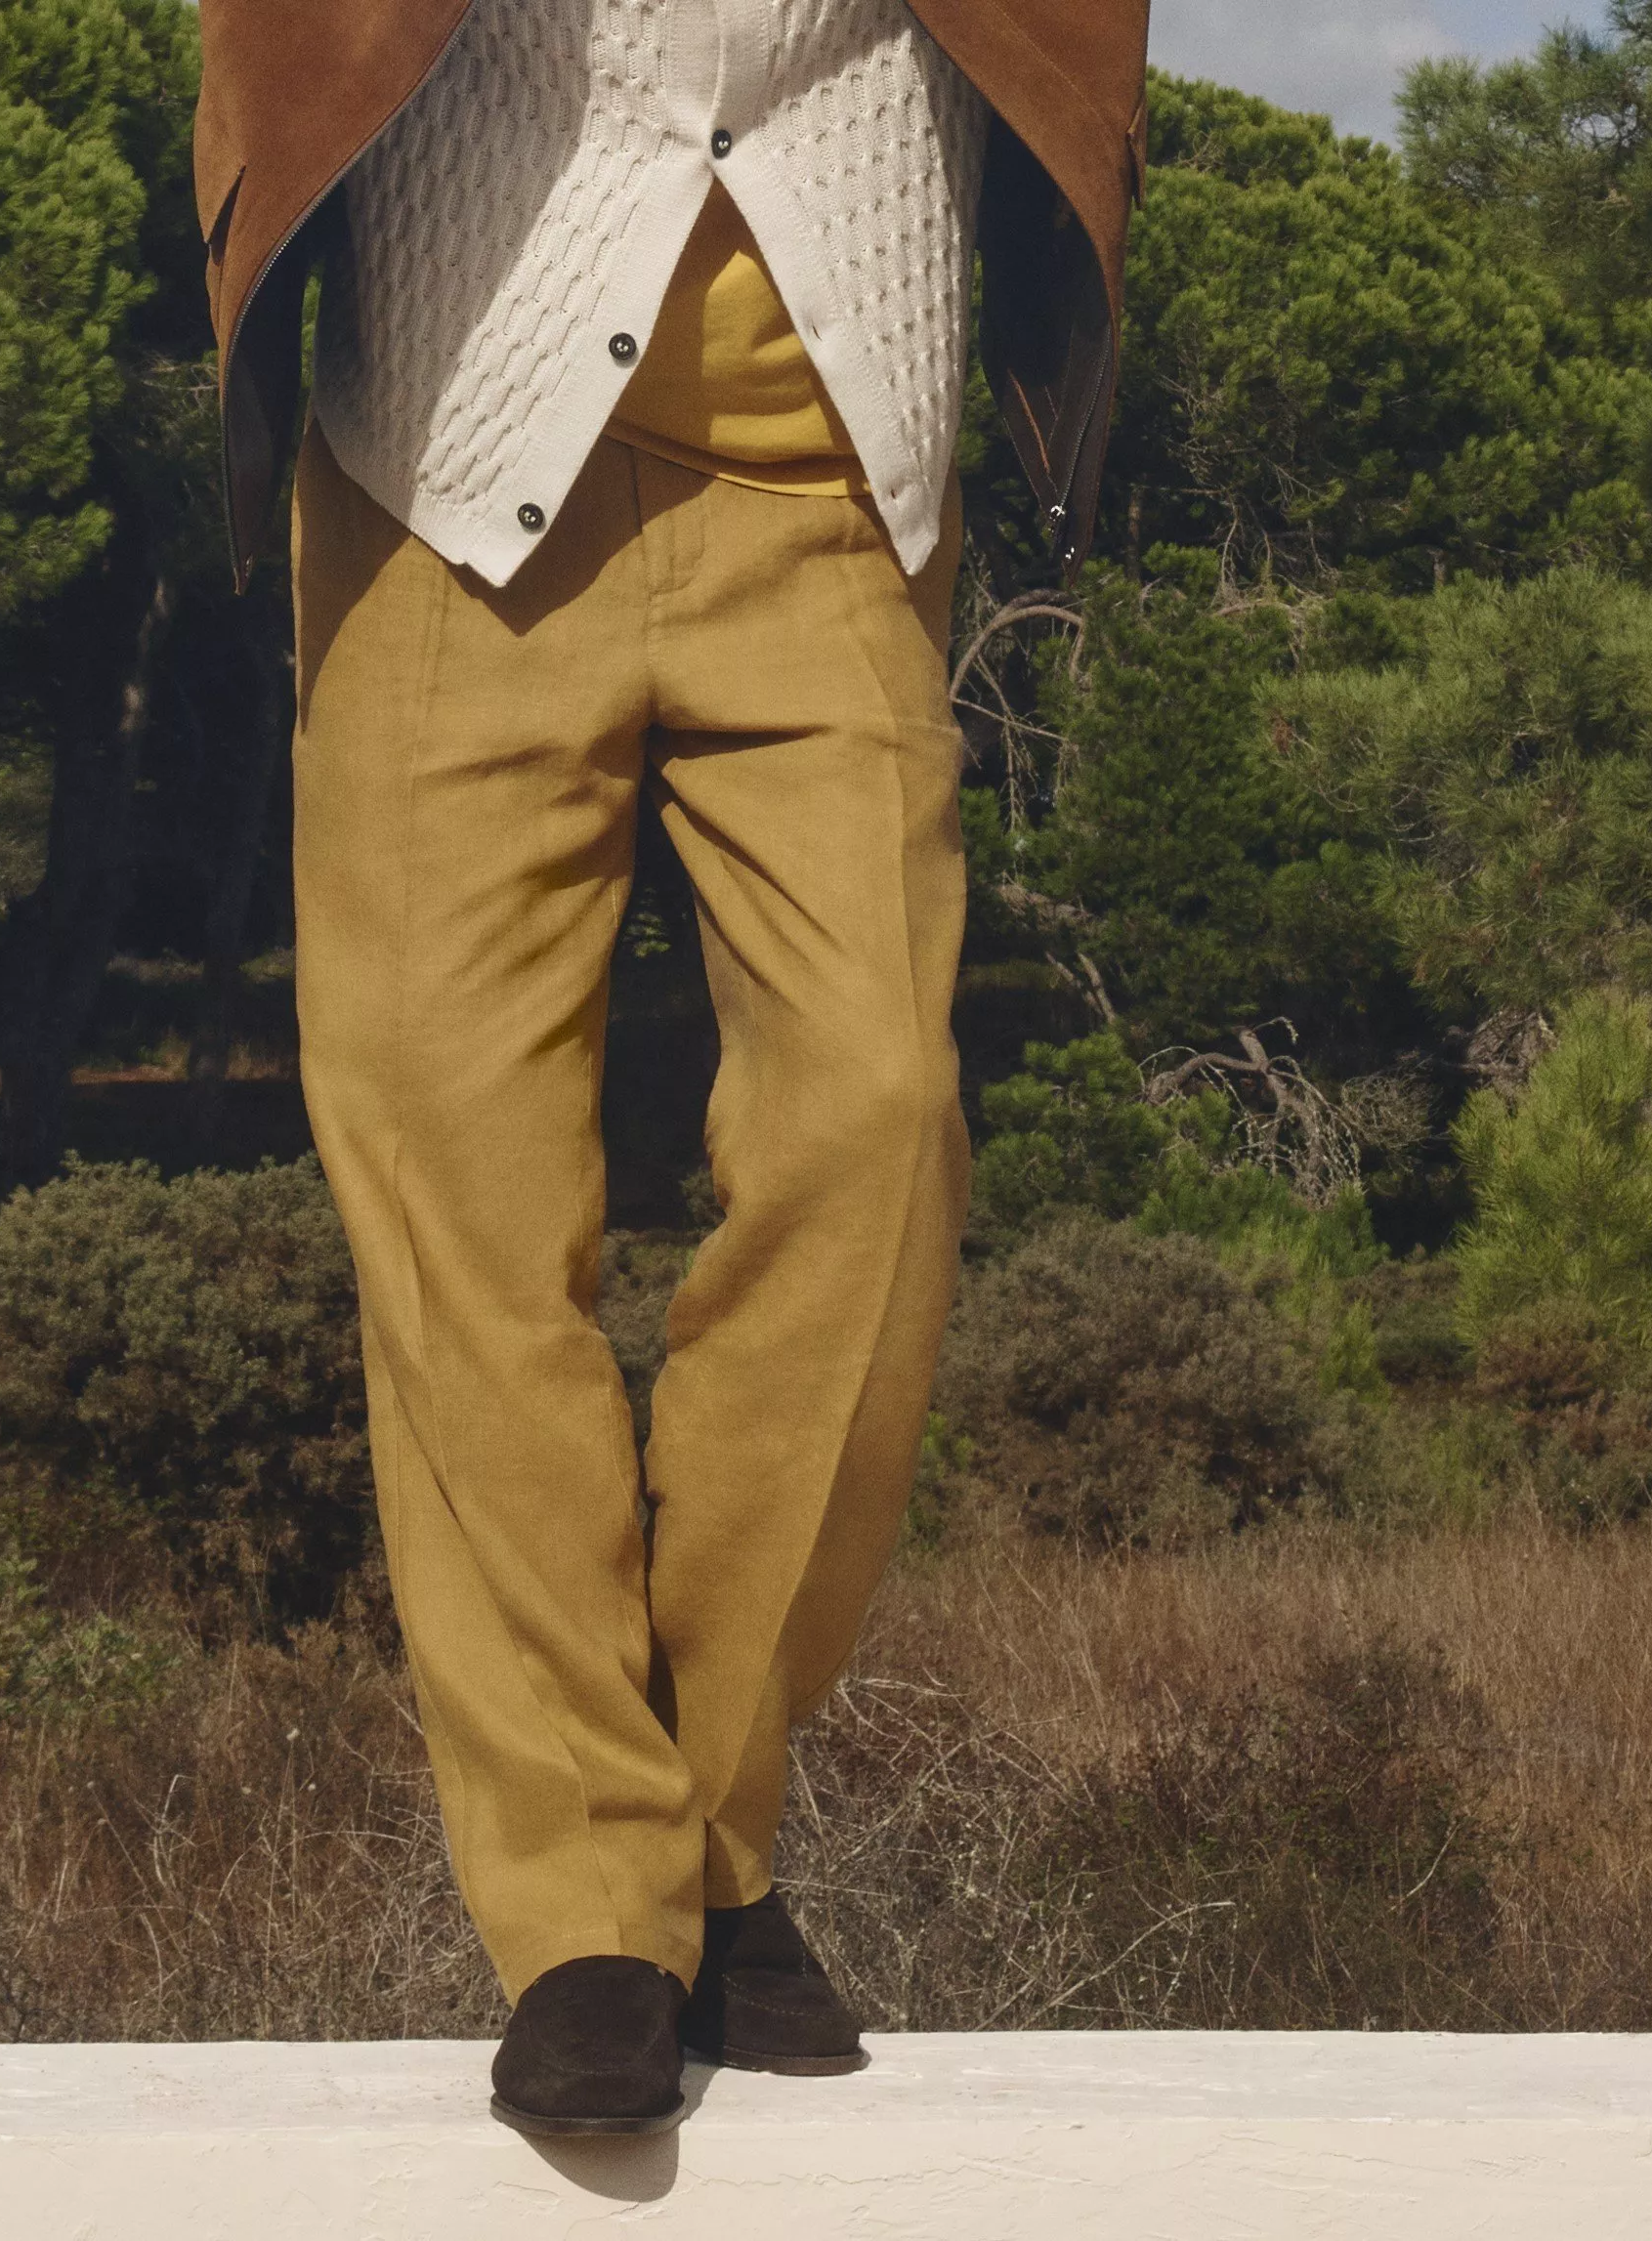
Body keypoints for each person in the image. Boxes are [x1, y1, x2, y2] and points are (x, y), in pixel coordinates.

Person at [192, 0, 1149, 2137]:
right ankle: (593, 1915)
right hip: (445, 464)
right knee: (452, 1185)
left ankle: (695, 1828)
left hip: (833, 474)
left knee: (876, 1118)